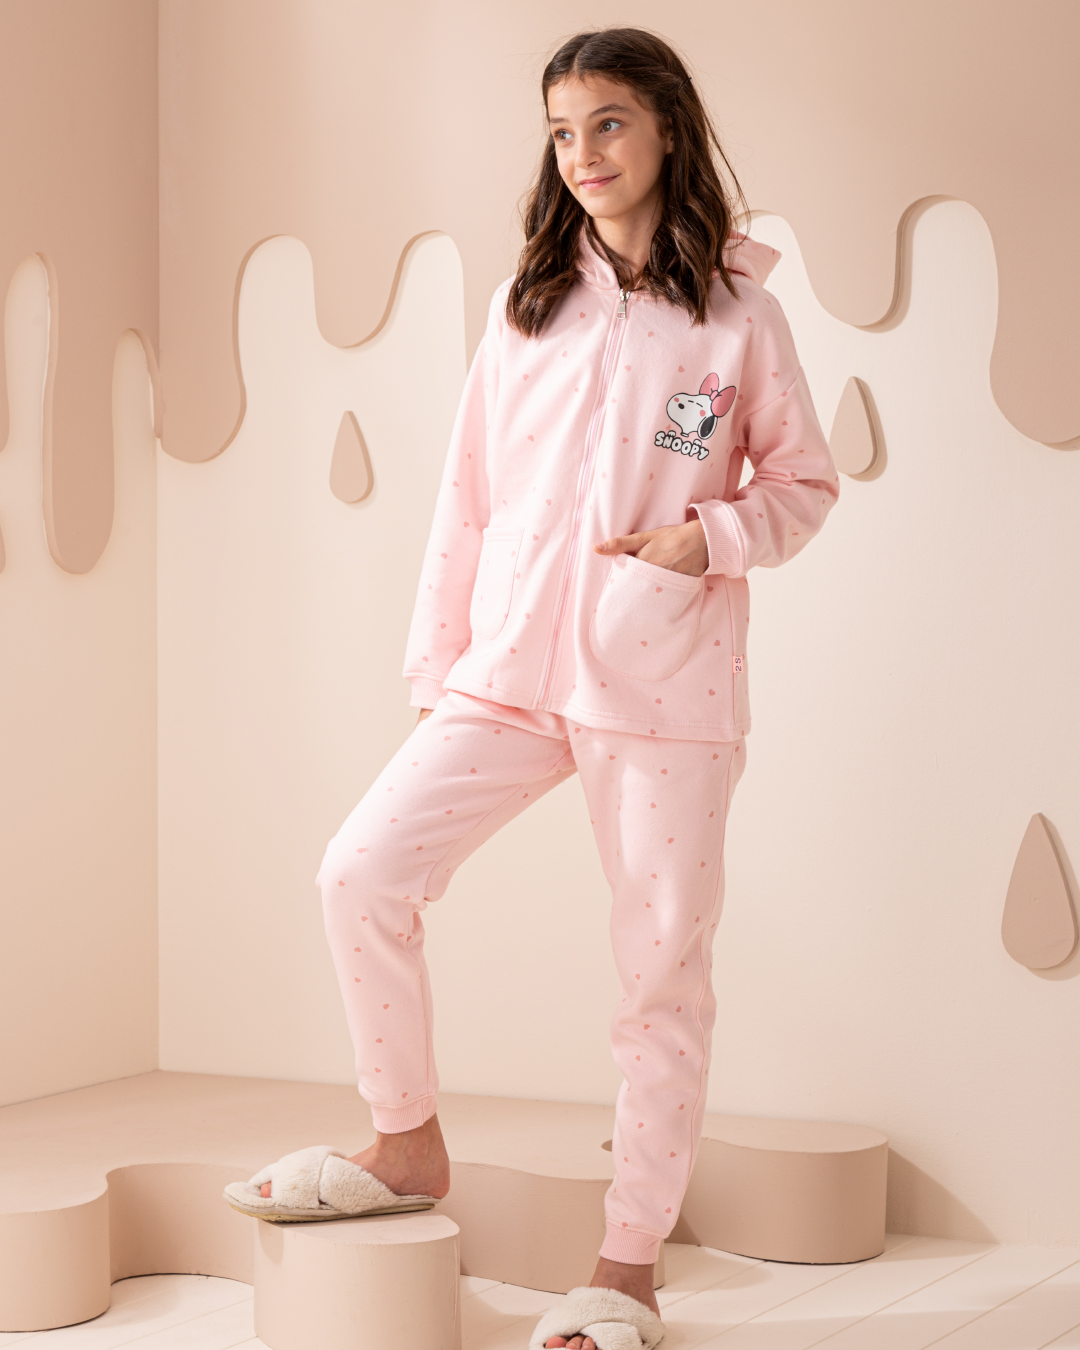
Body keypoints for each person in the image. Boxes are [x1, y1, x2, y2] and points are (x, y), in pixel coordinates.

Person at [227, 26, 838, 1350]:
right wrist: (439, 661)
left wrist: (710, 538)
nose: (583, 154)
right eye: (563, 131)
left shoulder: (739, 316)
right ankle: (404, 1139)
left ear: (667, 126)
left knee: (659, 975)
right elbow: (468, 493)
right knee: (361, 871)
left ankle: (628, 1268)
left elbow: (804, 485)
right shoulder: (530, 302)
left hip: (665, 679)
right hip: (510, 664)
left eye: (608, 123)